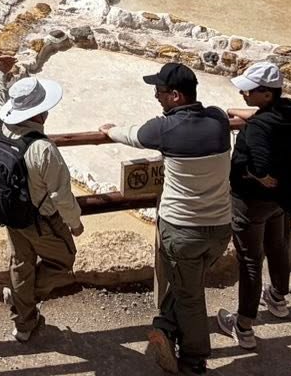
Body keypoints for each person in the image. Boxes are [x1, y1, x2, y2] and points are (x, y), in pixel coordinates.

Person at [107, 61, 232, 374]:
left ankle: (194, 359)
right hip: (219, 229)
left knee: (189, 295)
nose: (156, 96)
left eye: (160, 91)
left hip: (183, 230)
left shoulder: (164, 129)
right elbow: (226, 114)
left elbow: (132, 135)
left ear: (175, 96)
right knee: (186, 282)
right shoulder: (217, 119)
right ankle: (165, 326)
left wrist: (108, 130)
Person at [0, 55, 83, 343]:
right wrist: (74, 223)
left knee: (21, 264)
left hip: (10, 212)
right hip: (42, 220)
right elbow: (61, 195)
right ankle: (20, 301)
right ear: (41, 113)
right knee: (64, 259)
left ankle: (24, 325)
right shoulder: (43, 150)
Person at [216, 60, 291, 350]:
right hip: (281, 199)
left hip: (250, 203)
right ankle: (278, 299)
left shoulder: (257, 130)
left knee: (250, 261)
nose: (243, 95)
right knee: (278, 245)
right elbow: (261, 117)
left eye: (249, 91)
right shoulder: (290, 110)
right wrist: (238, 113)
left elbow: (261, 164)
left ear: (267, 94)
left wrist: (259, 176)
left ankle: (243, 326)